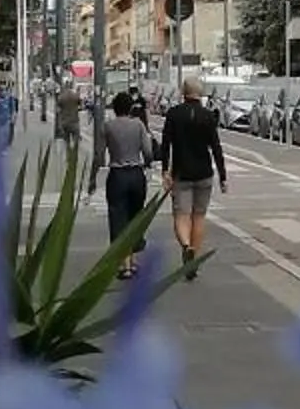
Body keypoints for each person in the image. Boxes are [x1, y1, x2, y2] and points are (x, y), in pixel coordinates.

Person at [159, 70, 229, 280]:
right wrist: (223, 176)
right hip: (204, 173)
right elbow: (216, 147)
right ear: (200, 93)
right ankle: (194, 260)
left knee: (181, 215)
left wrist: (165, 170)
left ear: (183, 92)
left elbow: (165, 144)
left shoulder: (174, 114)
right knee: (199, 216)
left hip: (181, 173)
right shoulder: (208, 116)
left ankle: (186, 245)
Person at [92, 89, 155, 279]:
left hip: (117, 176)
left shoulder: (108, 126)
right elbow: (148, 151)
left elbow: (99, 154)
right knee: (135, 218)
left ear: (114, 108)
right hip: (136, 175)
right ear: (130, 108)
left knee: (118, 218)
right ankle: (132, 261)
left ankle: (124, 265)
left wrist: (92, 178)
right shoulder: (138, 125)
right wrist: (148, 163)